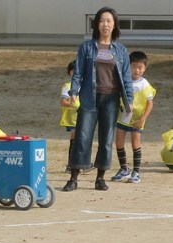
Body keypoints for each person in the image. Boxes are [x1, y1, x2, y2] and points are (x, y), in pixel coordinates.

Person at [62, 7, 133, 192]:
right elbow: (78, 72)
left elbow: (126, 77)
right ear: (96, 24)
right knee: (82, 137)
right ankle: (73, 178)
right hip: (88, 97)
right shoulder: (86, 47)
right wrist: (74, 92)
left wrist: (129, 99)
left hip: (111, 99)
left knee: (106, 138)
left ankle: (100, 178)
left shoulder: (121, 50)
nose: (105, 24)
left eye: (109, 21)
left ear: (115, 24)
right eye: (102, 21)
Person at [111, 51, 156, 183]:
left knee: (135, 143)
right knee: (119, 142)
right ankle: (124, 169)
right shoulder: (124, 81)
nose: (137, 70)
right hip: (123, 117)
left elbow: (150, 104)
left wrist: (142, 119)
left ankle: (136, 172)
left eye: (140, 67)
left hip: (137, 119)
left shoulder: (145, 84)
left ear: (145, 68)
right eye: (134, 66)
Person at [60, 60, 80, 173]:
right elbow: (63, 102)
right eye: (73, 71)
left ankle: (77, 163)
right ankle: (71, 165)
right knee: (75, 139)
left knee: (79, 140)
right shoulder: (67, 86)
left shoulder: (83, 85)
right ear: (70, 73)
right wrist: (76, 106)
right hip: (71, 118)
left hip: (81, 117)